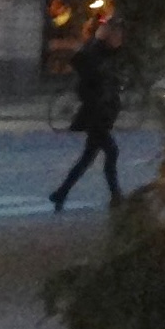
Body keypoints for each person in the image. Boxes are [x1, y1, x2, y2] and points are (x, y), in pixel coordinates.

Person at [50, 17, 124, 210]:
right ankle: (116, 197)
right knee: (111, 152)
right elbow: (87, 78)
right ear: (109, 37)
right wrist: (99, 97)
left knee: (87, 158)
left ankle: (61, 193)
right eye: (116, 35)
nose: (119, 38)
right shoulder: (96, 54)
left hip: (102, 113)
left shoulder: (106, 53)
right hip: (96, 114)